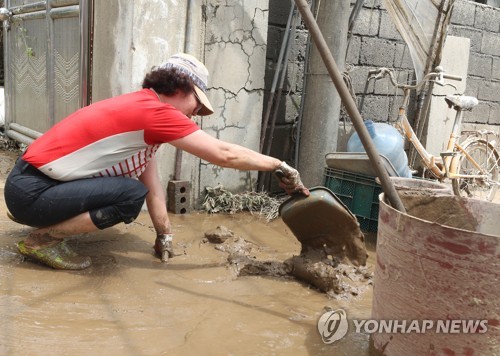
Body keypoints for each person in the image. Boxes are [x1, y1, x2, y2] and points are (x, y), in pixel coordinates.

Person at [4, 53, 309, 270]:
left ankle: (47, 229)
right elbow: (224, 155)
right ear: (180, 88)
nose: (193, 116)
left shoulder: (143, 117)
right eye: (196, 106)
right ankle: (42, 240)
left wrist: (165, 236)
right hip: (32, 192)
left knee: (131, 192)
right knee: (127, 195)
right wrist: (279, 165)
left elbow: (154, 189)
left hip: (29, 187)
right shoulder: (154, 114)